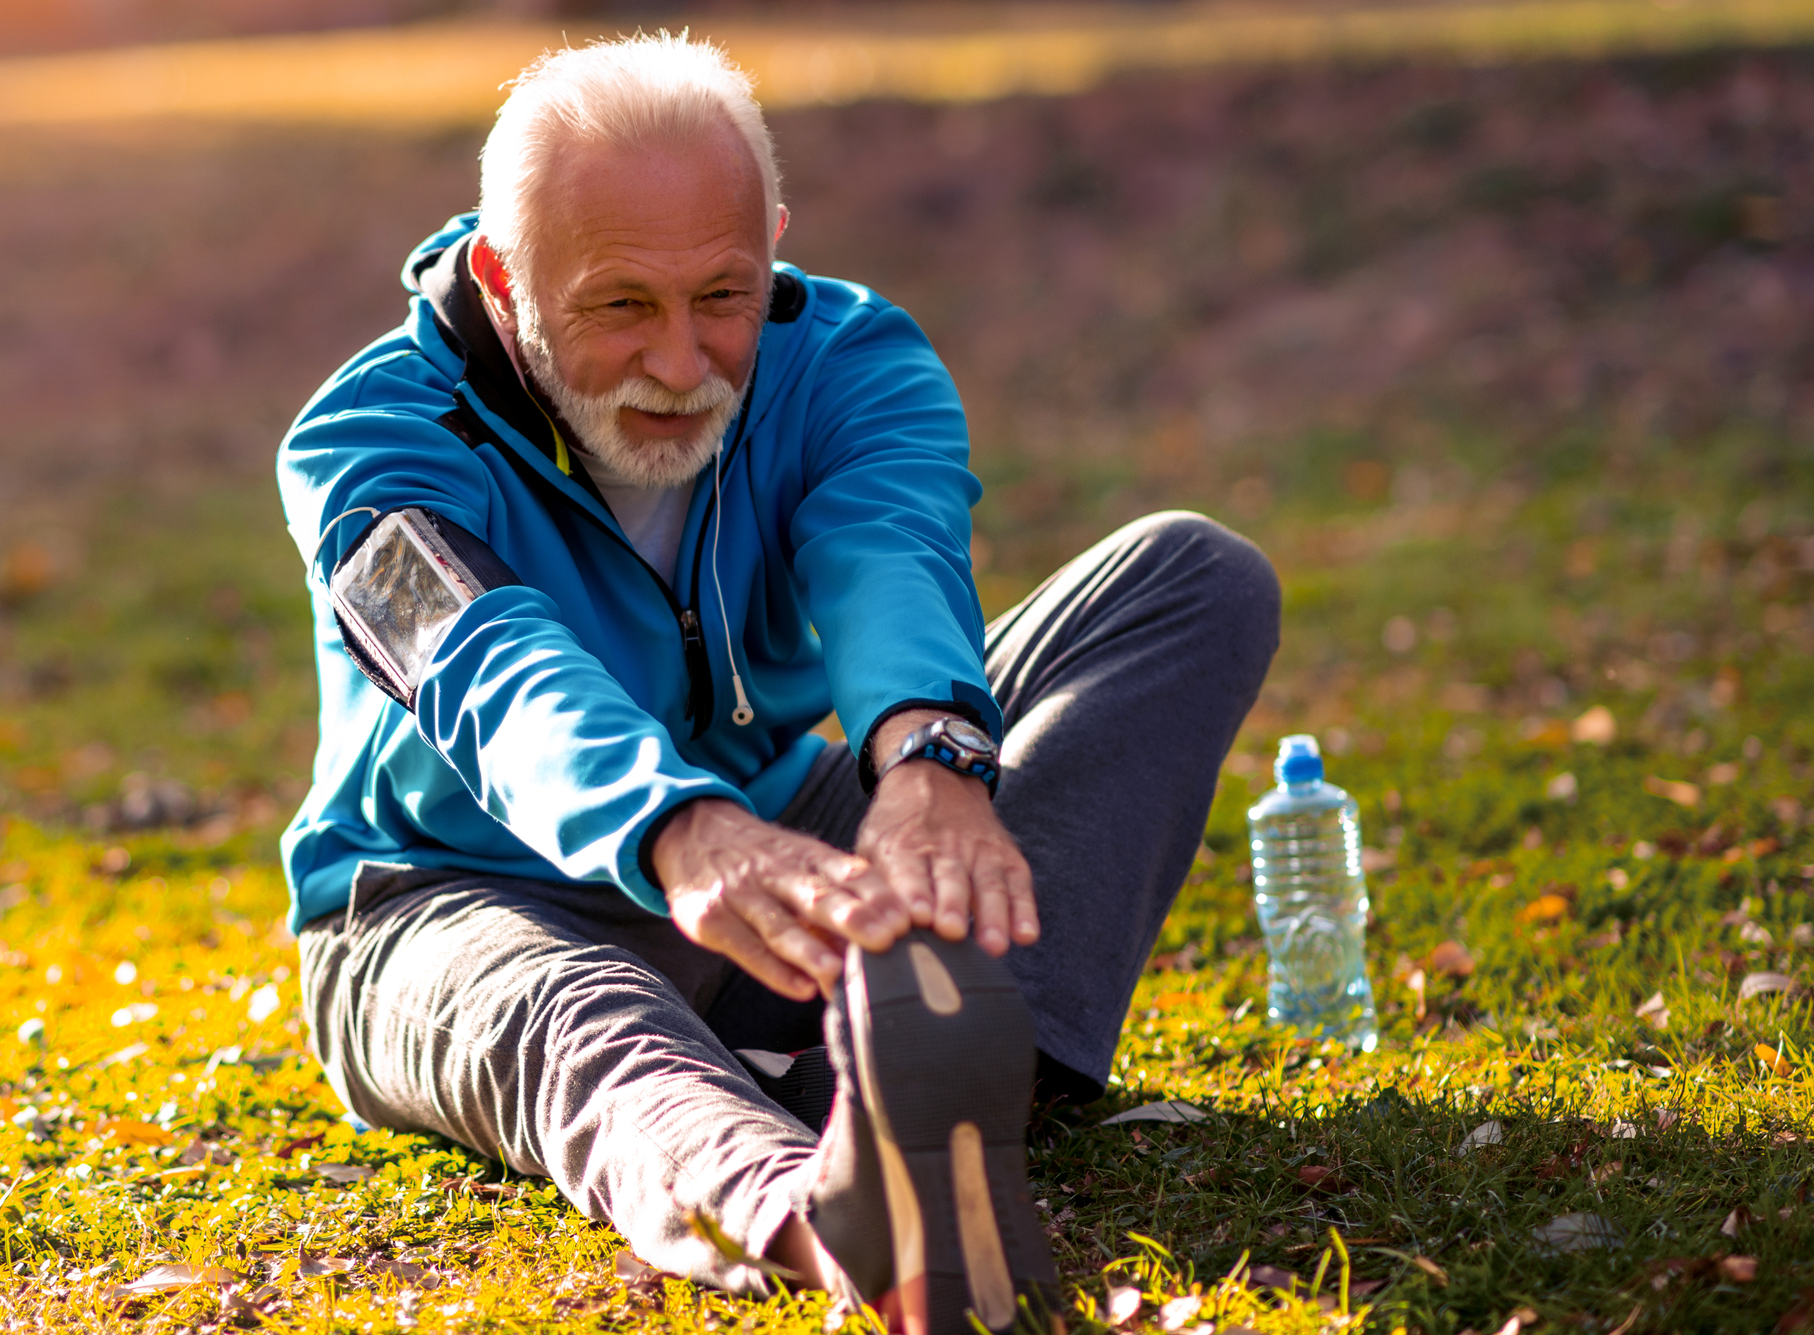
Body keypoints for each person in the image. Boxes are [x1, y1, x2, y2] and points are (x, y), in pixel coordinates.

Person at [279, 32, 1278, 1335]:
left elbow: (887, 555)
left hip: (777, 842)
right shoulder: (368, 446)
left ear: (776, 244)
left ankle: (918, 1071)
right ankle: (827, 1203)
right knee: (584, 1019)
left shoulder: (846, 358)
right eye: (621, 306)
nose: (684, 364)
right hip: (441, 903)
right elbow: (484, 668)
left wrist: (928, 754)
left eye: (723, 297)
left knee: (1188, 577)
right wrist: (677, 830)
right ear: (501, 276)